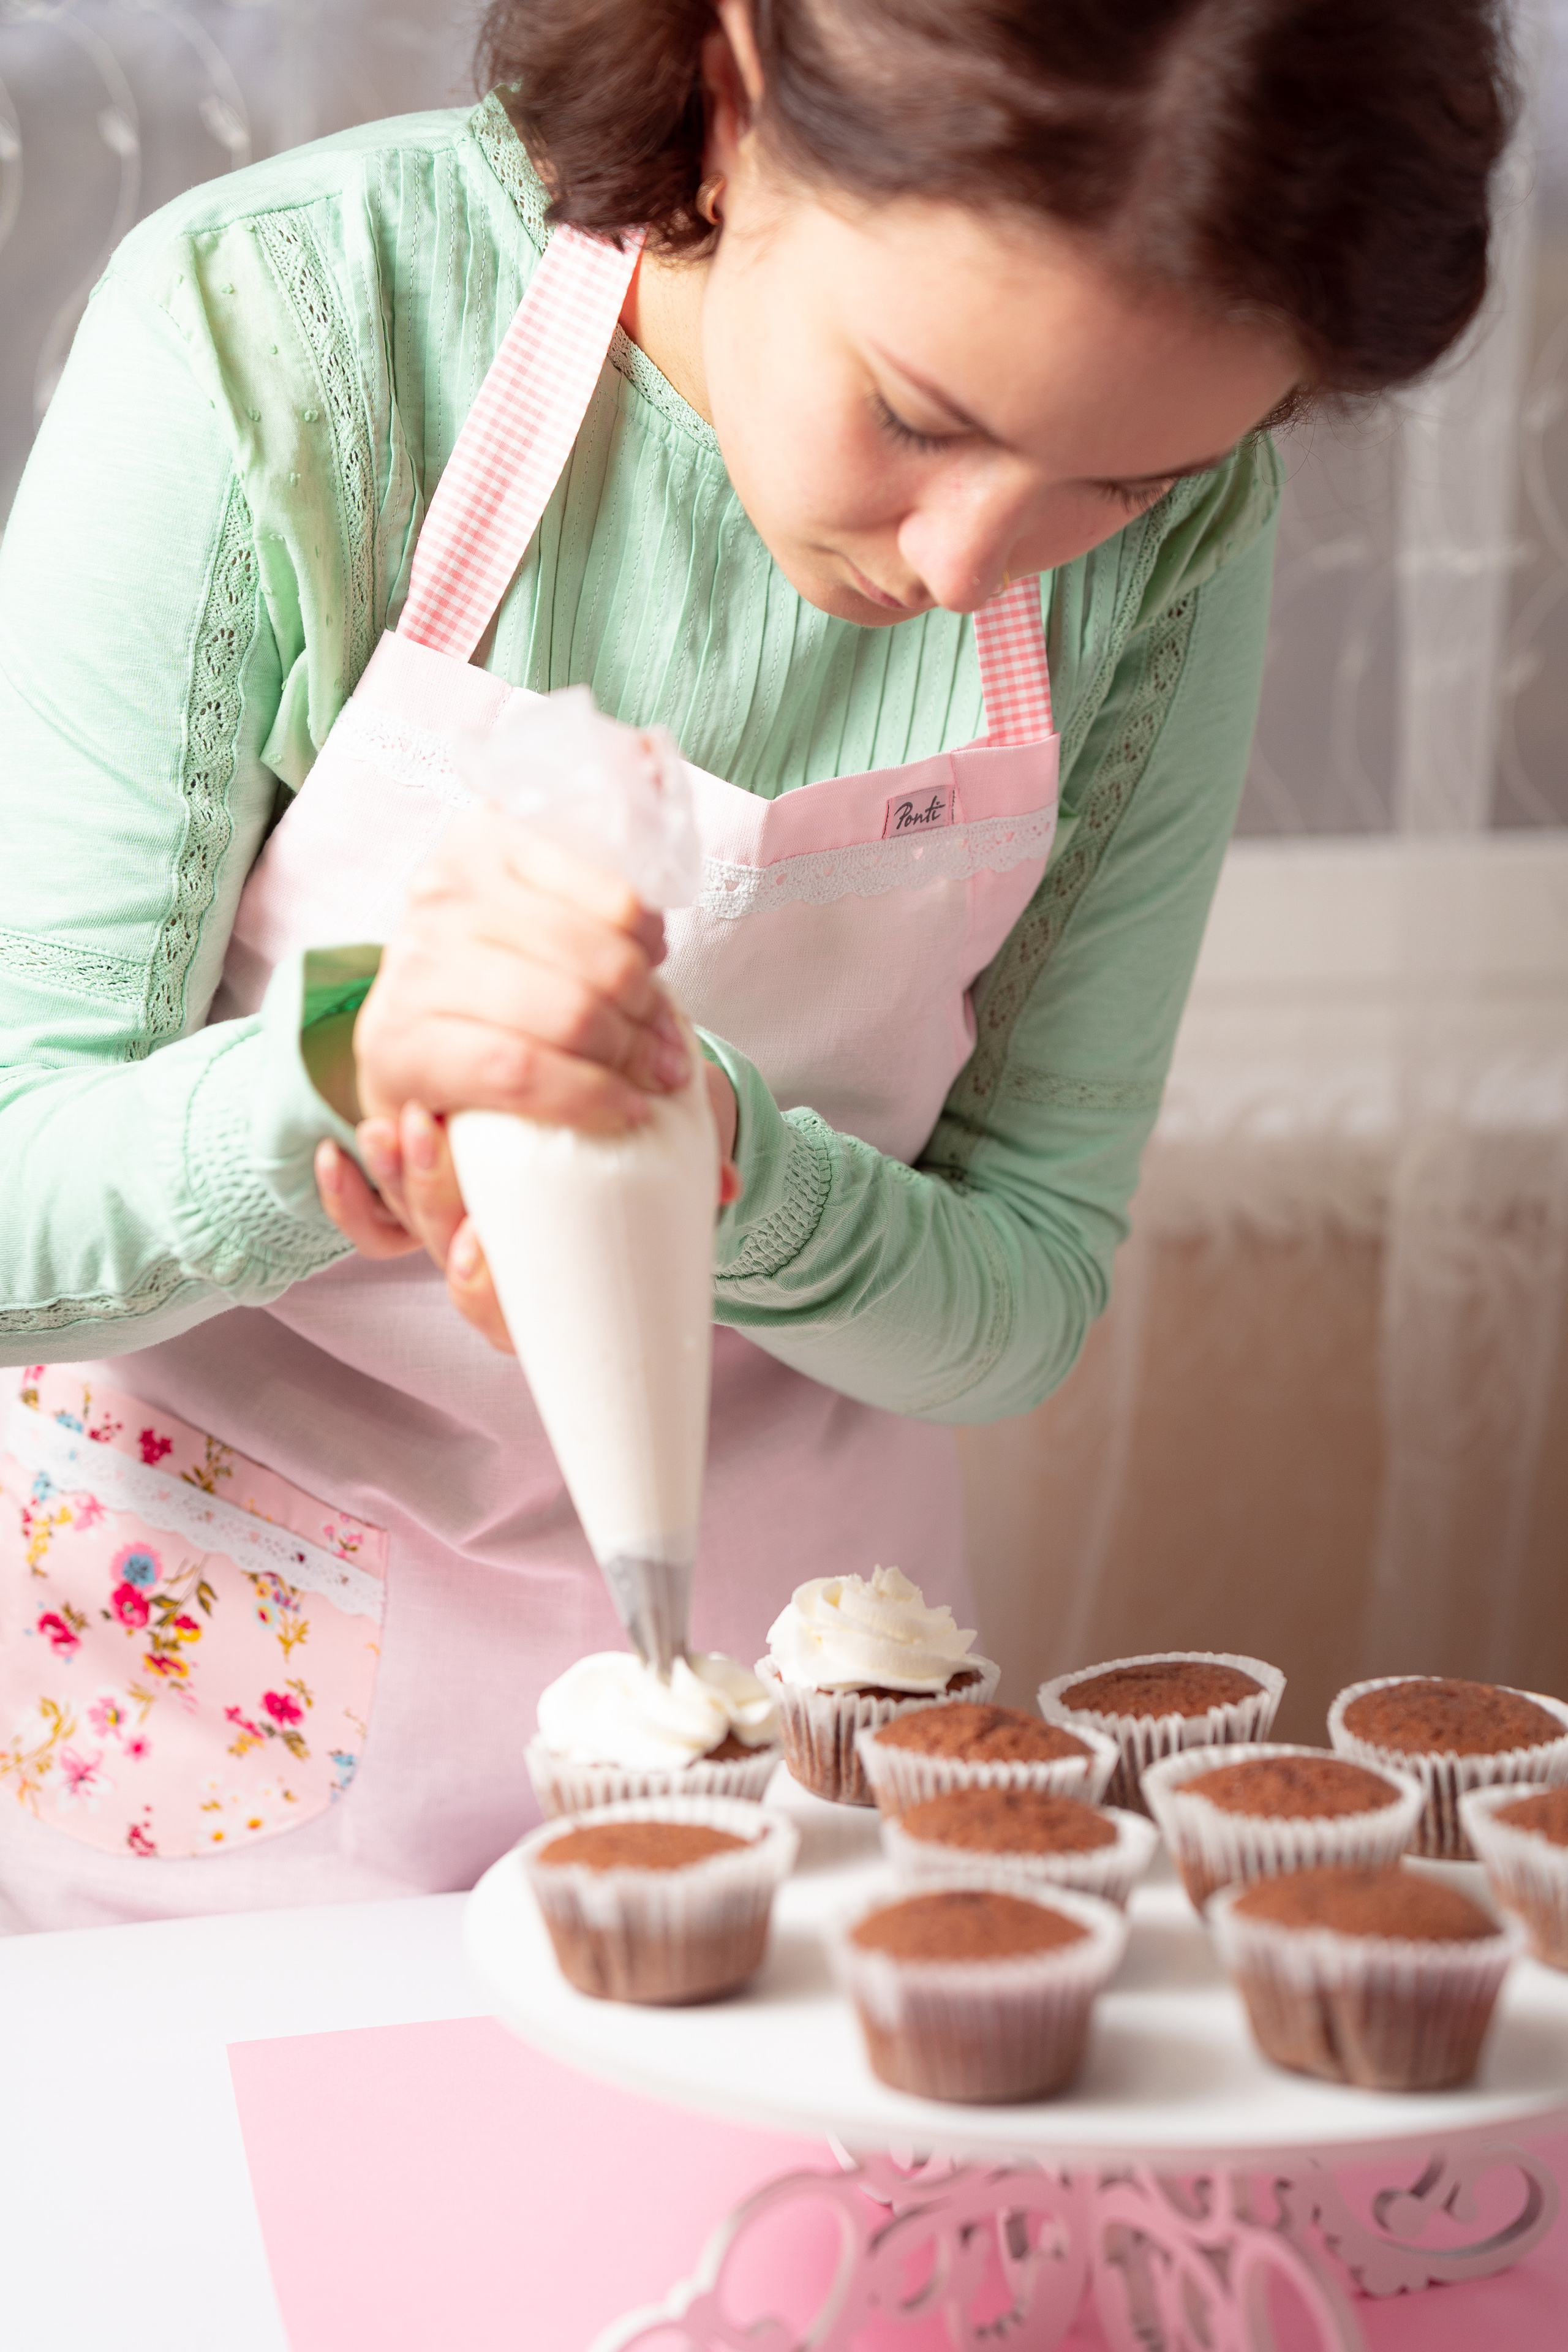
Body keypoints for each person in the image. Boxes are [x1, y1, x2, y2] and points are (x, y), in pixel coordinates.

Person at [0, 0, 1510, 1929]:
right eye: (922, 415)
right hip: (222, 1713)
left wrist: (729, 1169)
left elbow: (1028, 1285)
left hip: (788, 1736)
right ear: (734, 90)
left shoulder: (1189, 526)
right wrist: (345, 1058)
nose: (976, 562)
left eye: (1110, 491)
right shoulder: (290, 333)